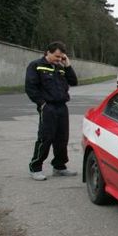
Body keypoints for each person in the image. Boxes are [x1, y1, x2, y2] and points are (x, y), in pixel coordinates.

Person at [25, 41, 78, 180]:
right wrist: (42, 104)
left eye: (61, 57)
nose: (59, 59)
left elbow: (74, 81)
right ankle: (35, 168)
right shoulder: (36, 65)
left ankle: (59, 167)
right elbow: (31, 88)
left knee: (62, 139)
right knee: (45, 137)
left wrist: (67, 65)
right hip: (47, 107)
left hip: (62, 107)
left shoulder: (61, 67)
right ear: (48, 52)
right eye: (56, 56)